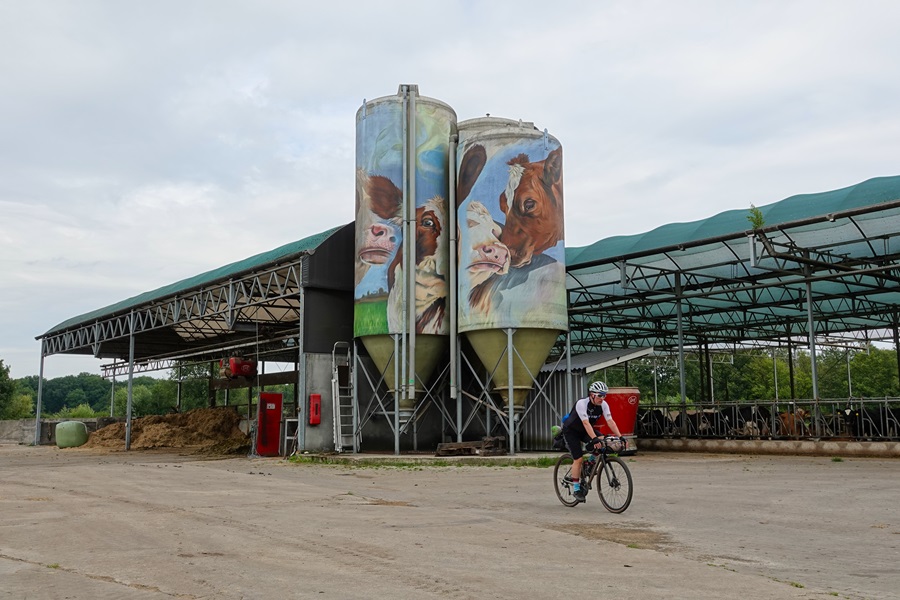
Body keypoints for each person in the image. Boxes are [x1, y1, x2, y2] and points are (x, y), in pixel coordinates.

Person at [560, 381, 625, 503]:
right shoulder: (582, 403)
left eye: (604, 395)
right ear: (592, 395)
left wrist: (620, 436)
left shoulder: (604, 405)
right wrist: (594, 438)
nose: (602, 398)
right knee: (578, 459)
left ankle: (590, 463)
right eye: (600, 395)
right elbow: (585, 422)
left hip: (585, 430)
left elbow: (610, 421)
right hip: (571, 431)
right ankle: (576, 489)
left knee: (603, 442)